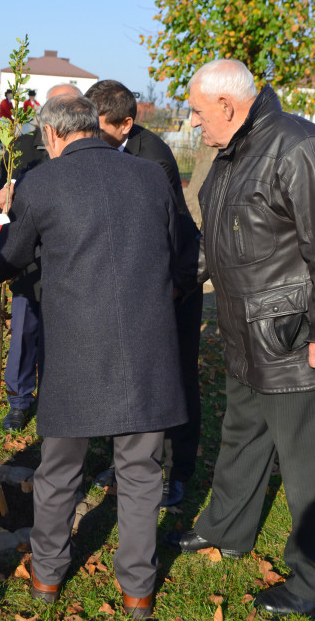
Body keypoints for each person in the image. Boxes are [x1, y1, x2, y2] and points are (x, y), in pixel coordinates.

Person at [0, 94, 188, 618]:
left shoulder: (42, 182)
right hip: (148, 347)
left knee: (59, 471)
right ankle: (138, 591)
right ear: (94, 128)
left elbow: (8, 257)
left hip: (76, 353)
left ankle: (47, 577)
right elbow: (183, 249)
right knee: (141, 473)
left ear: (53, 135)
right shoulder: (150, 176)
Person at [166, 59, 315, 619]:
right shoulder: (232, 153)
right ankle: (227, 529)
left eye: (199, 113)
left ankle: (310, 580)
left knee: (306, 466)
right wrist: (179, 284)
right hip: (241, 333)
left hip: (291, 339)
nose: (194, 124)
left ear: (227, 106)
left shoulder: (297, 146)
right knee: (241, 436)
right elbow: (219, 238)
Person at [85, 80, 202, 507]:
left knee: (177, 381)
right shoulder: (104, 148)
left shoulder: (153, 159)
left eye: (97, 126)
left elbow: (164, 235)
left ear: (126, 124)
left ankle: (178, 471)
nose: (88, 134)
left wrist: (167, 289)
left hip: (174, 283)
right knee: (131, 377)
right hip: (136, 285)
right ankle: (128, 462)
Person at [0, 84, 82, 432]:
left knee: (64, 337)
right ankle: (19, 400)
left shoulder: (81, 153)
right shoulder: (22, 147)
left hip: (69, 261)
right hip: (25, 258)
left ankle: (58, 396)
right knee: (23, 333)